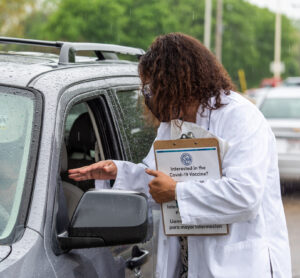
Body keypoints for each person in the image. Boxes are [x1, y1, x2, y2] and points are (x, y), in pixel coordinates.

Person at [68, 33, 291, 278]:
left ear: (176, 81)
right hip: (186, 262)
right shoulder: (173, 123)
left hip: (237, 264)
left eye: (154, 85)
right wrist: (119, 173)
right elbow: (158, 181)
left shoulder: (239, 117)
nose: (149, 93)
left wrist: (177, 192)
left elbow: (245, 195)